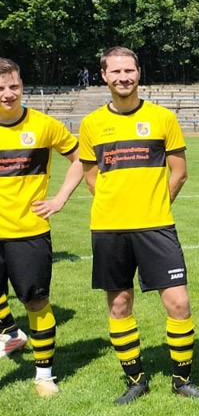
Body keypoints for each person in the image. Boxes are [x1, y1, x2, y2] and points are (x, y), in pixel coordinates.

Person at [78, 46, 199, 404]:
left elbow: (180, 173)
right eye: (115, 72)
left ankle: (182, 381)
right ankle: (135, 380)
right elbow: (92, 177)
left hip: (156, 226)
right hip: (110, 228)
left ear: (139, 72)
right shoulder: (91, 124)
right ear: (104, 76)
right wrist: (118, 206)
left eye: (129, 70)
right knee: (120, 304)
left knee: (179, 303)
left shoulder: (163, 118)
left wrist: (152, 204)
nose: (123, 77)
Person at [0, 57, 84, 397]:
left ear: (22, 86)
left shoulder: (45, 126)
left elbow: (80, 157)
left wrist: (60, 198)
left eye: (13, 86)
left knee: (36, 303)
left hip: (28, 232)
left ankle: (44, 375)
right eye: (1, 88)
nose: (7, 94)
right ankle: (12, 335)